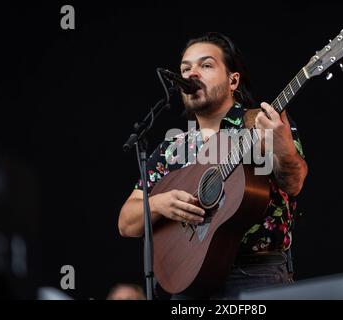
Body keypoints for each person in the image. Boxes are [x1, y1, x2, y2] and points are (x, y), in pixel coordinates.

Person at [118, 32, 308, 299]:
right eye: (185, 68)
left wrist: (283, 146)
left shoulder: (263, 123)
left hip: (255, 279)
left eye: (205, 65)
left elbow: (294, 182)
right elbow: (127, 223)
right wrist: (160, 203)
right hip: (188, 281)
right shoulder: (172, 148)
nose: (192, 73)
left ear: (233, 80)